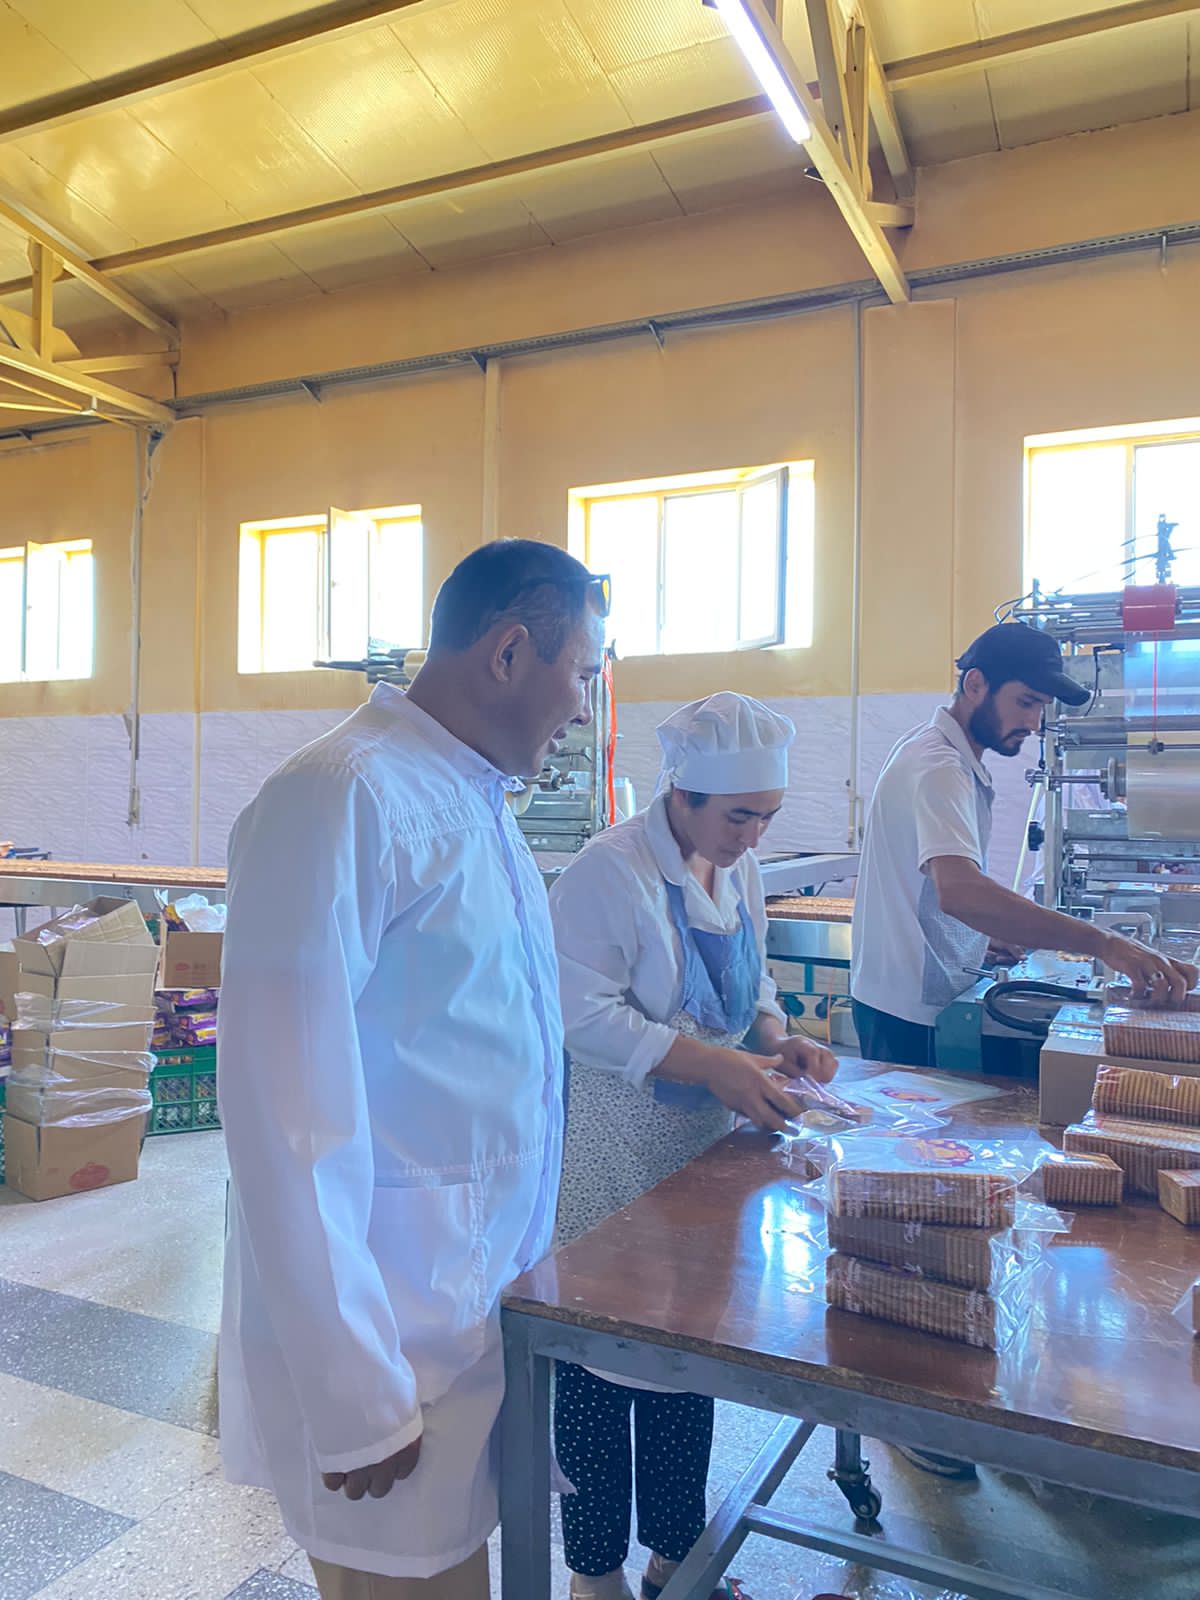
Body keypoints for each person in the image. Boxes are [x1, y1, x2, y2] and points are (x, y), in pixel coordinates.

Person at [217, 539, 608, 1600]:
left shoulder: (471, 798)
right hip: (389, 1339)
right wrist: (353, 1389)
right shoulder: (337, 794)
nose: (583, 707)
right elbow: (285, 1113)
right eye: (582, 673)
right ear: (509, 653)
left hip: (464, 1307)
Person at [850, 620, 1198, 1477]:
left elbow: (950, 901)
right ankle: (906, 1404)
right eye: (1025, 702)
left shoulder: (951, 759)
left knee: (937, 1208)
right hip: (907, 1016)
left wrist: (993, 943)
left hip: (924, 991)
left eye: (1042, 709)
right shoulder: (937, 765)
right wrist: (1103, 943)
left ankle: (932, 1391)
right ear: (974, 684)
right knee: (918, 1220)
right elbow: (961, 890)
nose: (1033, 723)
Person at [548, 692, 837, 1600]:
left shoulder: (736, 870)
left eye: (767, 817)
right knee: (603, 1363)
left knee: (688, 1354)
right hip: (616, 1157)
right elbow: (577, 1013)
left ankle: (677, 1559)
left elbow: (752, 983)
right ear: (682, 794)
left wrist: (773, 1038)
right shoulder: (608, 873)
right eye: (738, 816)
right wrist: (711, 1063)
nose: (753, 836)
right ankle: (594, 1573)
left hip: (704, 1152)